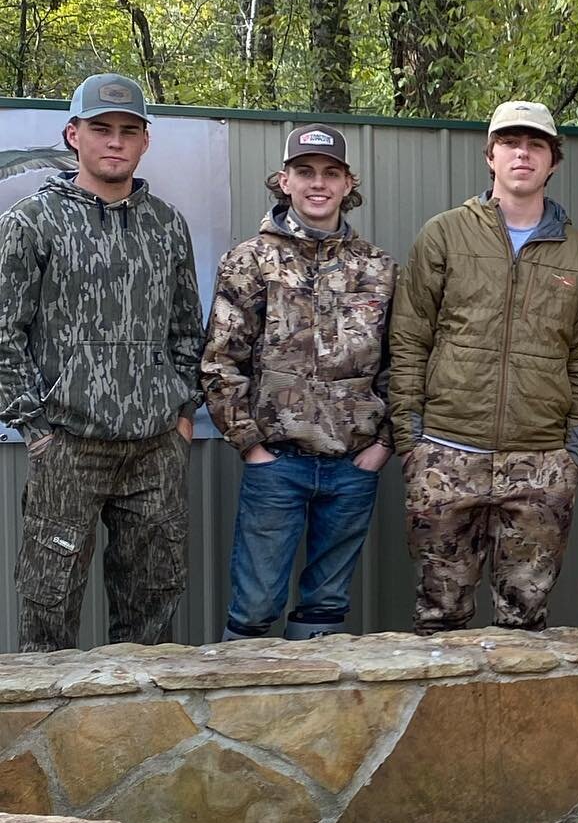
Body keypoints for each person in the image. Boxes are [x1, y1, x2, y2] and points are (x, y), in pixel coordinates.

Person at [0, 73, 203, 651]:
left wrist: (182, 411)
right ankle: (47, 732)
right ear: (73, 135)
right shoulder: (30, 223)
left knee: (155, 600)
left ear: (145, 141)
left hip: (154, 447)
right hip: (68, 446)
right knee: (49, 601)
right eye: (100, 129)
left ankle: (142, 731)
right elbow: (3, 331)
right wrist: (36, 428)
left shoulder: (166, 225)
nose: (114, 141)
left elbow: (187, 326)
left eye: (127, 131)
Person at [388, 100, 578, 633]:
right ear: (490, 155)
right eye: (510, 142)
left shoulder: (577, 254)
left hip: (541, 460)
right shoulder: (444, 235)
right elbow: (409, 337)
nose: (522, 154)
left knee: (526, 622)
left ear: (554, 160)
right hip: (446, 453)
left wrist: (575, 446)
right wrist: (410, 437)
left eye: (535, 145)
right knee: (441, 617)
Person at [202, 124, 395, 641]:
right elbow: (221, 361)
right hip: (277, 465)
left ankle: (317, 719)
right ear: (283, 180)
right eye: (305, 172)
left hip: (352, 465)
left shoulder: (377, 268)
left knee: (326, 607)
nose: (318, 183)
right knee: (255, 607)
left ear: (348, 183)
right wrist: (250, 447)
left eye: (330, 173)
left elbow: (402, 363)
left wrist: (383, 444)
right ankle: (243, 715)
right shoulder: (250, 261)